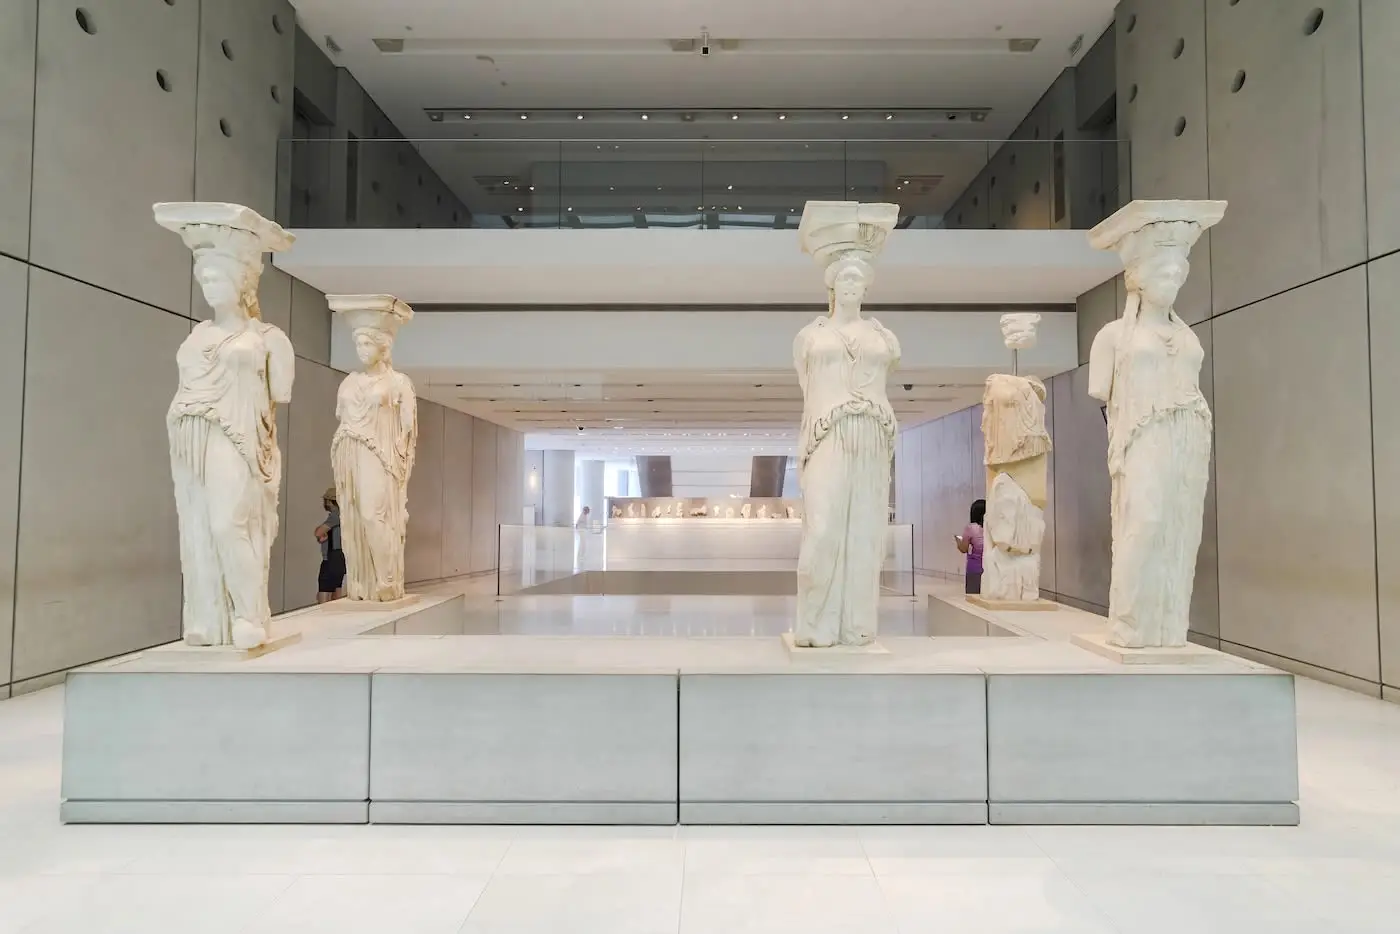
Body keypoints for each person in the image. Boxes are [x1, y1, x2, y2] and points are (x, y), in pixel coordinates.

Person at [315, 488, 345, 603]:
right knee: (337, 587)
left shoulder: (335, 516)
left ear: (329, 501)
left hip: (332, 557)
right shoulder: (344, 515)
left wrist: (320, 534)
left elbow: (318, 532)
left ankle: (323, 614)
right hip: (340, 557)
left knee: (324, 588)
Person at [956, 499, 986, 595]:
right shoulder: (992, 527)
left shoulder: (971, 528)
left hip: (974, 568)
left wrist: (958, 541)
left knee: (973, 596)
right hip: (990, 567)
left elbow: (964, 549)